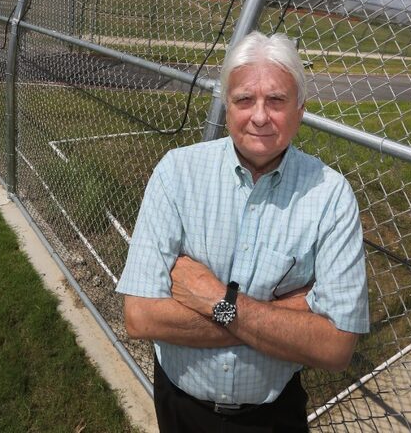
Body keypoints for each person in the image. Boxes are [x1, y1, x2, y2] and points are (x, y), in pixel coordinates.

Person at [116, 31, 369, 432]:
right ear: (227, 105)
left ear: (300, 110)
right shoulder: (176, 173)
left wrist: (216, 298)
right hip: (181, 405)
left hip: (272, 415)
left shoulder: (331, 196)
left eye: (277, 100)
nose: (260, 116)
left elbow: (336, 346)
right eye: (245, 99)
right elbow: (141, 317)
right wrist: (287, 317)